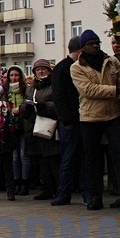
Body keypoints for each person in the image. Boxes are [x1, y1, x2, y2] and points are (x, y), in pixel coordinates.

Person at [70, 30, 120, 216]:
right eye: (91, 43)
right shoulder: (76, 67)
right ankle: (95, 197)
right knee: (93, 159)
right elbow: (88, 90)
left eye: (97, 43)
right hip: (90, 117)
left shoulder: (112, 61)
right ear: (83, 47)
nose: (95, 46)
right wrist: (117, 90)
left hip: (113, 115)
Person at [50, 36, 85, 206]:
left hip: (83, 118)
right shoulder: (62, 68)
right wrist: (66, 119)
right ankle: (64, 192)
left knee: (84, 158)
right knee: (68, 158)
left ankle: (86, 192)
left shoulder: (80, 66)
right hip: (70, 121)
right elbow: (59, 97)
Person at [23, 59, 61, 201]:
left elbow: (58, 103)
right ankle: (47, 189)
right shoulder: (31, 87)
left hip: (49, 127)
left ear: (49, 71)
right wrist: (25, 107)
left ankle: (59, 189)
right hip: (35, 127)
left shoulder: (54, 85)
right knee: (41, 161)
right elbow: (25, 102)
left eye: (43, 69)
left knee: (53, 160)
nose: (41, 72)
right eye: (38, 69)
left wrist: (43, 106)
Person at [6, 66, 30, 196]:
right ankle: (16, 182)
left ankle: (25, 184)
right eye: (11, 75)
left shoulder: (26, 89)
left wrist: (20, 109)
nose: (14, 78)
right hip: (11, 125)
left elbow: (29, 104)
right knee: (15, 156)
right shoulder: (6, 91)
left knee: (23, 155)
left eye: (16, 75)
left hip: (24, 124)